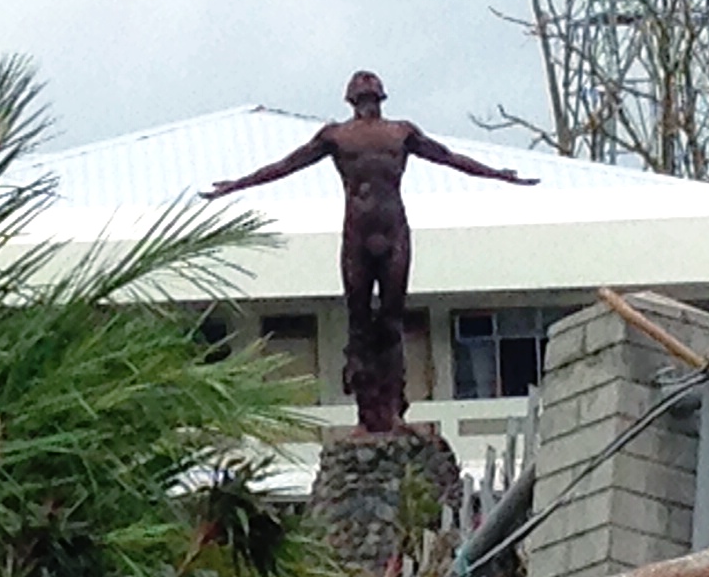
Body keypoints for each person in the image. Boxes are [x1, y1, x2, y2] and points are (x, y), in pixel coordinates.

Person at [203, 72, 535, 432]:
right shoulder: (337, 136)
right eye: (362, 95)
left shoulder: (401, 133)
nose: (366, 100)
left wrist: (499, 175)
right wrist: (238, 184)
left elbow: (449, 158)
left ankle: (392, 408)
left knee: (391, 322)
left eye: (369, 94)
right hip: (358, 236)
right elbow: (286, 165)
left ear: (378, 97)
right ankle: (368, 413)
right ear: (352, 100)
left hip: (393, 233)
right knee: (359, 324)